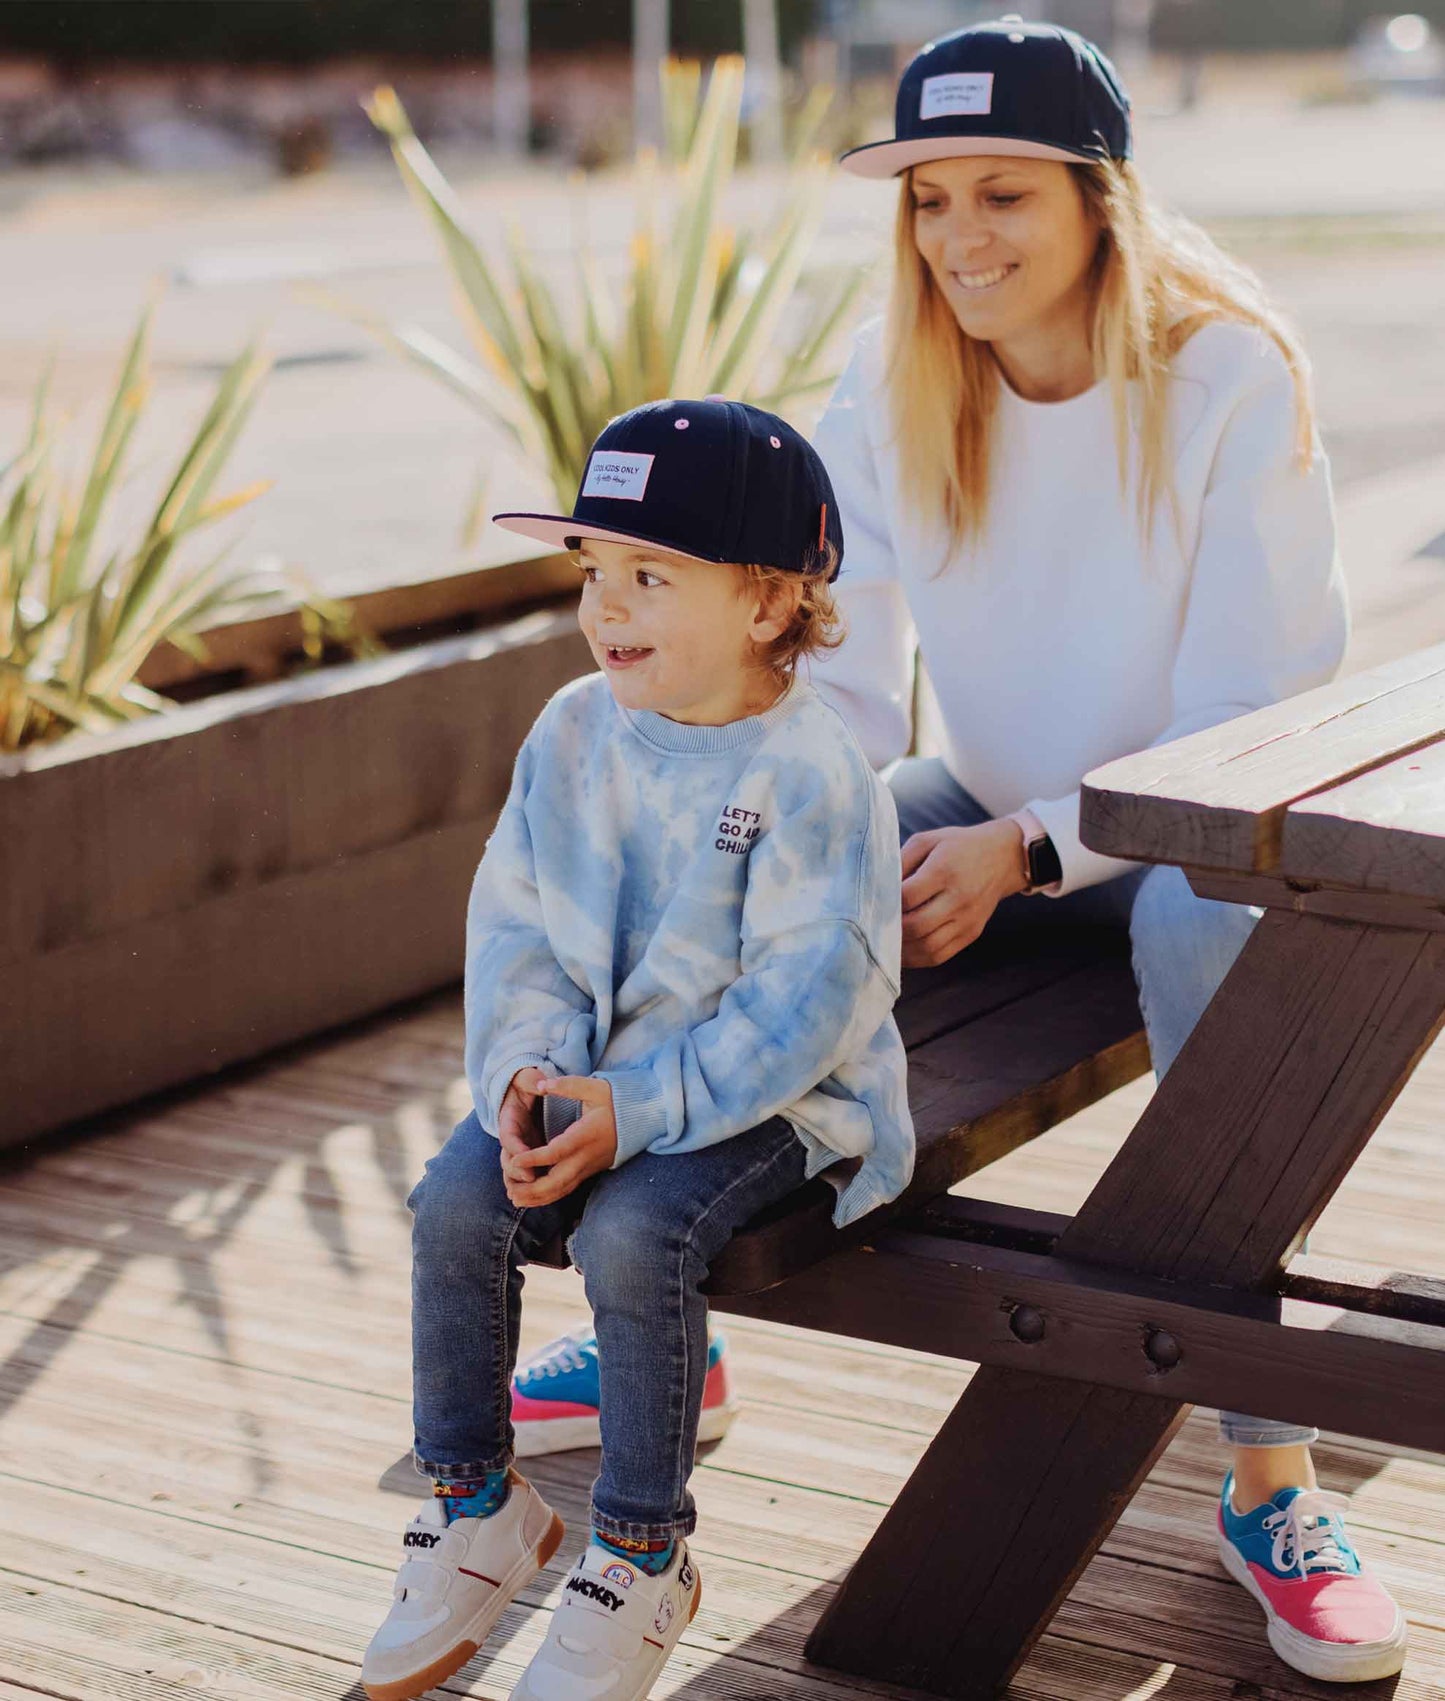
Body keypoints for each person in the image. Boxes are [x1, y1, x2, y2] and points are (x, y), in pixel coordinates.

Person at [805, 14, 1407, 1687]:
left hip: (1197, 839)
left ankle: (1267, 1473)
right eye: (926, 201)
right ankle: (658, 1321)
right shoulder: (887, 373)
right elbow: (835, 670)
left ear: (1097, 202)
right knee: (748, 856)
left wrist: (1025, 848)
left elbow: (1241, 721)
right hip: (986, 808)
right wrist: (835, 844)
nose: (958, 239)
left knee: (1206, 928)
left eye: (1001, 194)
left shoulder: (1224, 374)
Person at [359, 398, 915, 1701]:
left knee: (632, 1235)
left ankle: (638, 1552)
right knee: (452, 1201)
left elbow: (807, 1001)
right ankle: (476, 1504)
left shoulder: (812, 771)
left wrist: (640, 1105)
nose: (608, 607)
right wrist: (530, 1075)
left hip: (782, 1099)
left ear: (774, 601)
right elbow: (518, 922)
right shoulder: (571, 731)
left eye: (652, 576)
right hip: (594, 1076)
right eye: (593, 572)